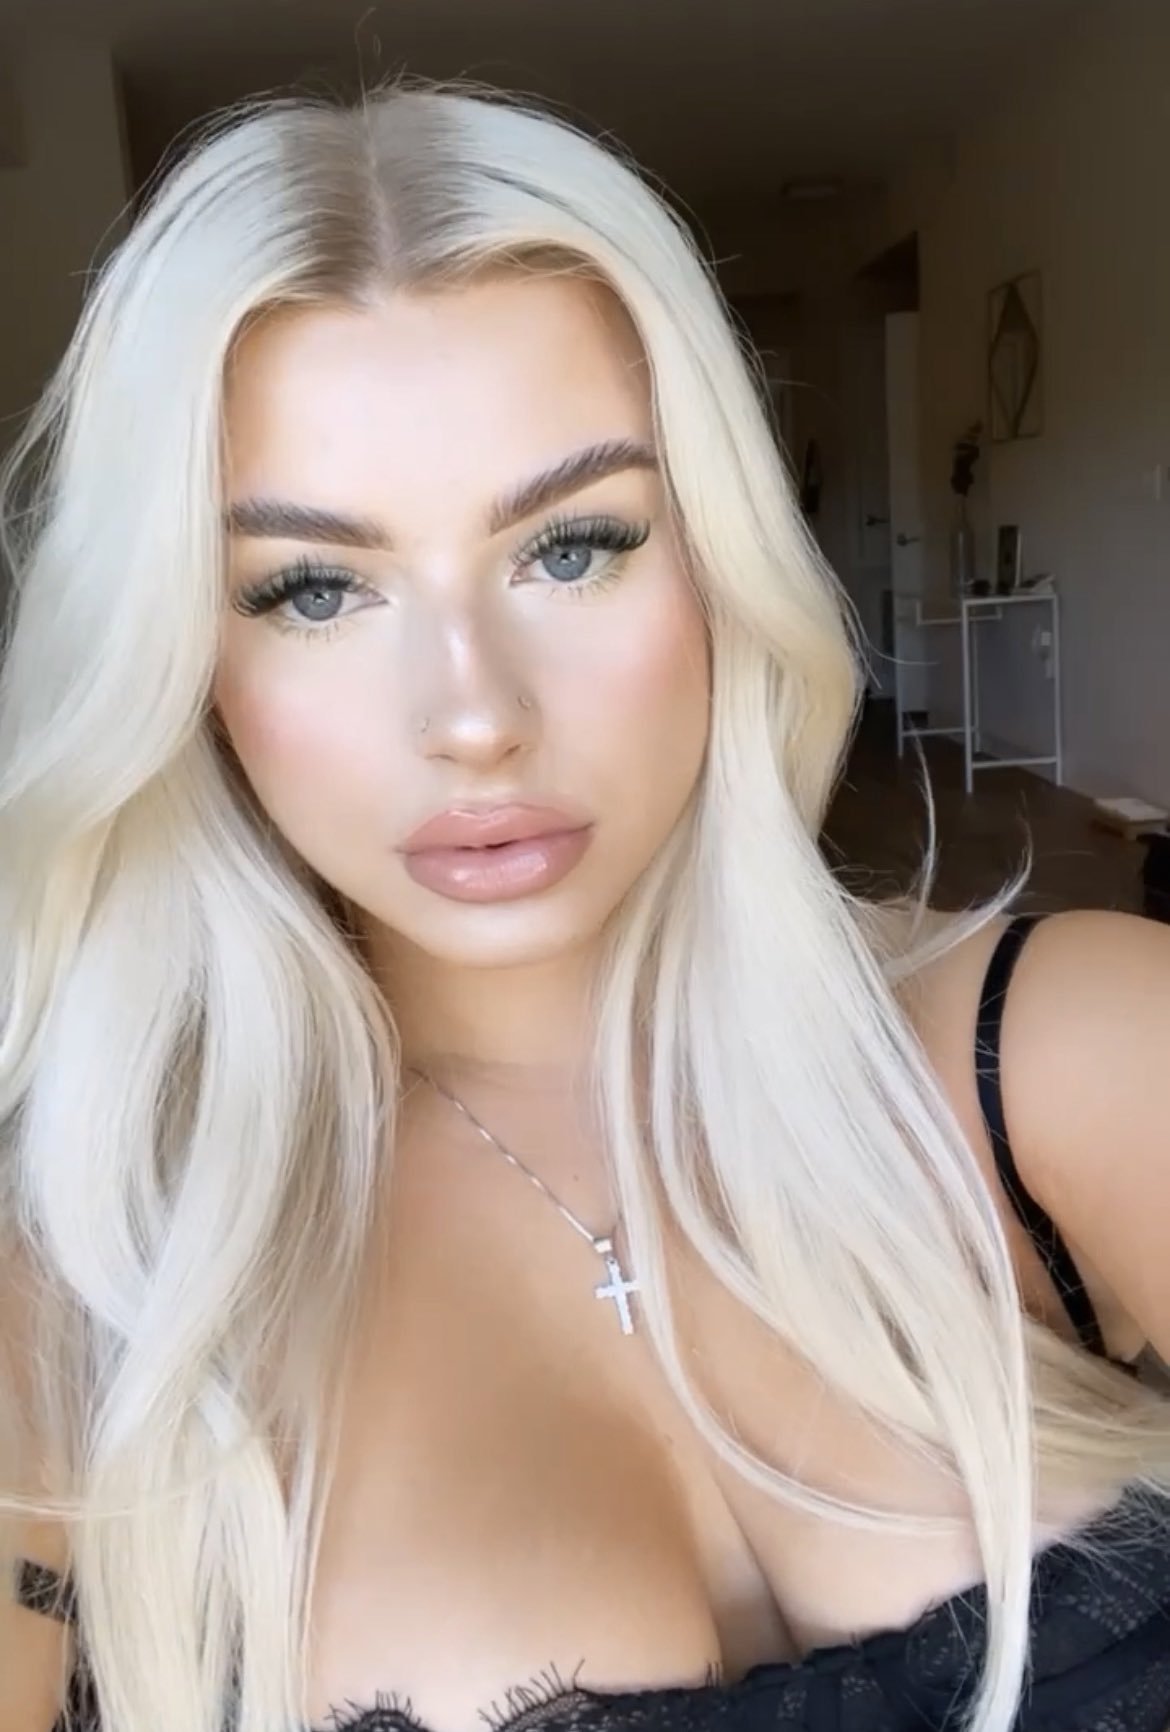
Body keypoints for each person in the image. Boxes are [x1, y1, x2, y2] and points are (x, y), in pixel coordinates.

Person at [0, 80, 1167, 1732]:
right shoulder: (86, 1289)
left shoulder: (1060, 1047)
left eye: (571, 547)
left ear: (717, 562)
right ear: (182, 658)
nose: (473, 714)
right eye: (314, 589)